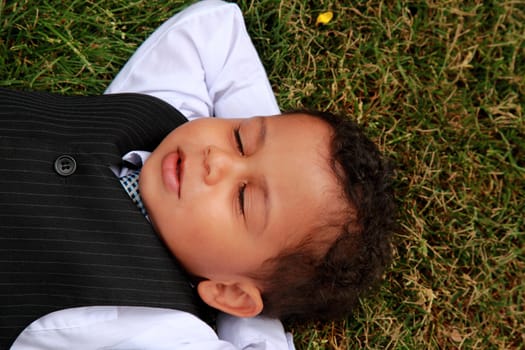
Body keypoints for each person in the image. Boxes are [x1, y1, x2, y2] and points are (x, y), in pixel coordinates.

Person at [2, 1, 395, 349]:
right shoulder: (166, 118)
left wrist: (245, 313)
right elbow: (217, 28)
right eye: (241, 137)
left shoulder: (154, 325)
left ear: (230, 293)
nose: (216, 161)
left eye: (243, 198)